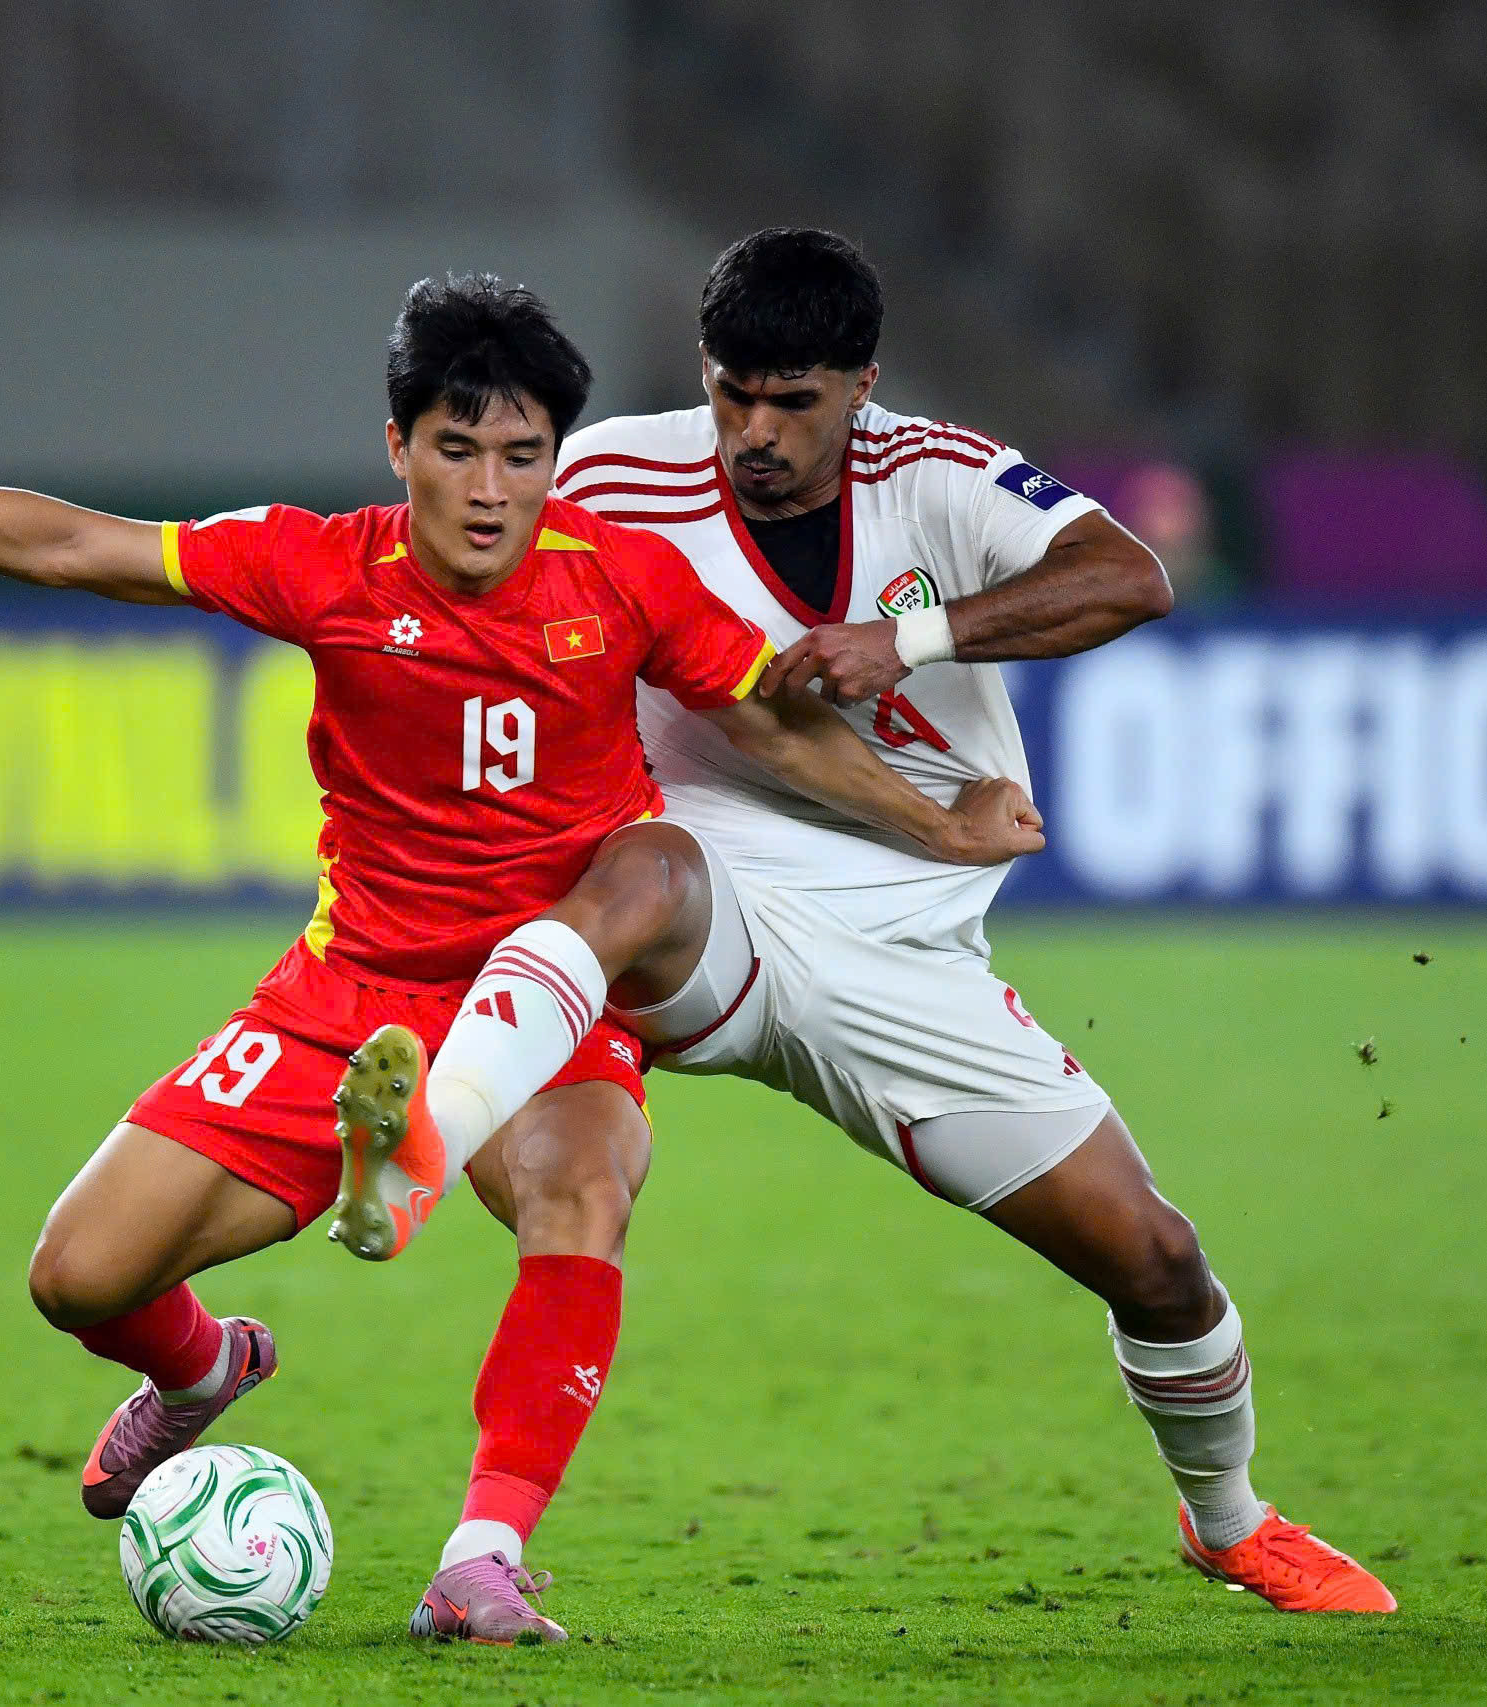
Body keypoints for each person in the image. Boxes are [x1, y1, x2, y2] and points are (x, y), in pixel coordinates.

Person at [0, 274, 1041, 1644]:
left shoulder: (621, 576)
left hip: (552, 992)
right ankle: (203, 1370)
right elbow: (77, 546)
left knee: (584, 1185)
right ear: (398, 446)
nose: (490, 490)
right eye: (458, 449)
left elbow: (769, 720)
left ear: (554, 458)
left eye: (523, 455)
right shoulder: (325, 567)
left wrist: (937, 823)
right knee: (77, 1277)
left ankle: (481, 1558)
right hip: (350, 997)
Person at [343, 231, 1397, 1615]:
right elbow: (448, 575)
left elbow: (1129, 576)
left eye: (792, 402)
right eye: (731, 394)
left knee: (1155, 1257)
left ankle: (1230, 1519)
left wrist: (912, 638)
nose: (755, 433)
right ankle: (422, 1139)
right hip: (710, 889)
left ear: (863, 386)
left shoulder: (940, 477)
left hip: (904, 945)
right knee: (643, 871)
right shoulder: (610, 475)